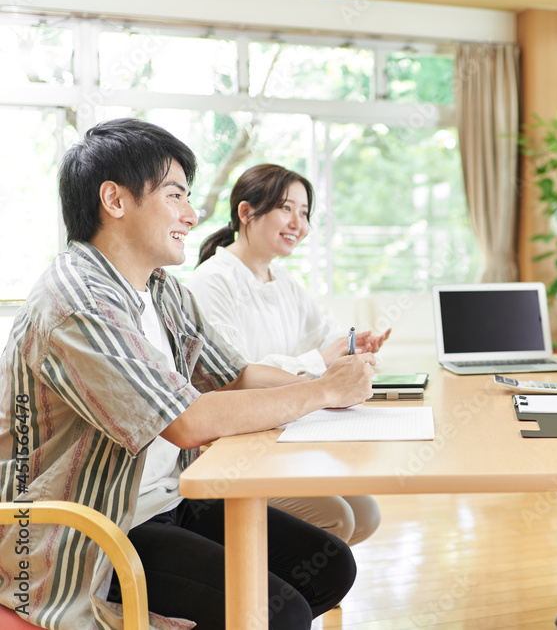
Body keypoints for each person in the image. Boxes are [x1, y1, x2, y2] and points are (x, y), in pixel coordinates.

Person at [0, 118, 375, 630]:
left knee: (330, 566)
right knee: (279, 612)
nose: (192, 215)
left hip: (166, 499)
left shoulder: (161, 289)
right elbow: (186, 422)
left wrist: (332, 389)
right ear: (114, 200)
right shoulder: (77, 300)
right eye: (175, 196)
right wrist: (320, 389)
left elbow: (234, 375)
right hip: (90, 530)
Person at [184, 164, 387, 545]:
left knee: (365, 514)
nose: (298, 222)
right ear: (246, 213)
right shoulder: (212, 281)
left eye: (305, 212)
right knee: (338, 519)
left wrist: (353, 345)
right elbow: (234, 377)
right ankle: (266, 599)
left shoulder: (284, 281)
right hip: (235, 443)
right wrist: (321, 364)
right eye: (286, 208)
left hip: (282, 430)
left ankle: (293, 595)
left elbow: (324, 334)